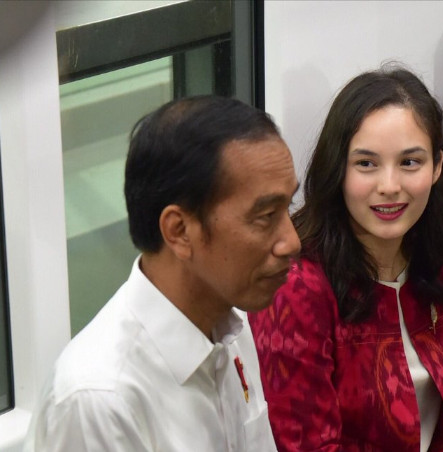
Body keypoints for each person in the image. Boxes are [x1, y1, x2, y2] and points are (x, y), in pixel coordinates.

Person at [249, 67, 443, 452]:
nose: (389, 186)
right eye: (366, 164)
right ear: (338, 168)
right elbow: (307, 445)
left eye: (410, 162)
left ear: (437, 166)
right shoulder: (296, 286)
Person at [24, 96, 300, 451]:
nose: (292, 242)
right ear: (179, 231)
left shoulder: (233, 329)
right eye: (266, 217)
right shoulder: (98, 400)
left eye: (288, 207)